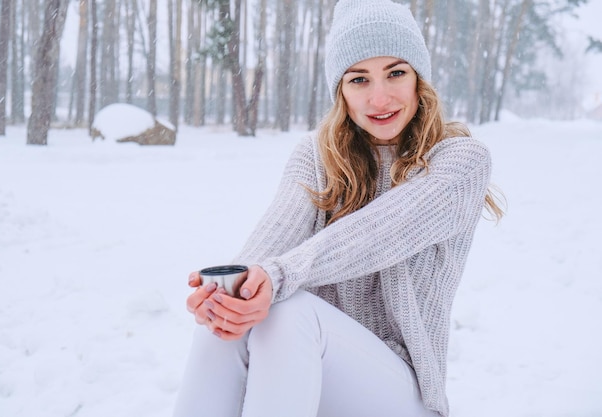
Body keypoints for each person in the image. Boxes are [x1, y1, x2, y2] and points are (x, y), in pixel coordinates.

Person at [173, 0, 504, 416]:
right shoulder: (317, 156)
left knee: (287, 310)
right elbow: (275, 235)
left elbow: (383, 230)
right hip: (307, 369)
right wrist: (227, 298)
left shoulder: (460, 161)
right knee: (226, 329)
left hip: (402, 394)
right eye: (359, 79)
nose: (379, 97)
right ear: (341, 92)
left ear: (420, 80)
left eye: (396, 73)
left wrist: (277, 277)